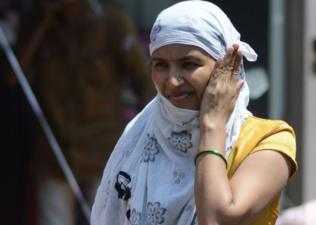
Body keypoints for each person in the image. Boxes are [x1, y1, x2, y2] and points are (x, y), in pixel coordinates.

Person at [91, 1, 297, 225]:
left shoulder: (267, 139)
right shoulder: (141, 134)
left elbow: (216, 218)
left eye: (189, 64)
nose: (172, 80)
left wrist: (212, 125)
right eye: (160, 65)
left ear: (227, 65)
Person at [11, 0, 155, 224]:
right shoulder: (35, 23)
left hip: (105, 149)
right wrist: (40, 24)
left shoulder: (112, 22)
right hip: (54, 151)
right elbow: (12, 76)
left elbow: (145, 84)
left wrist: (144, 140)